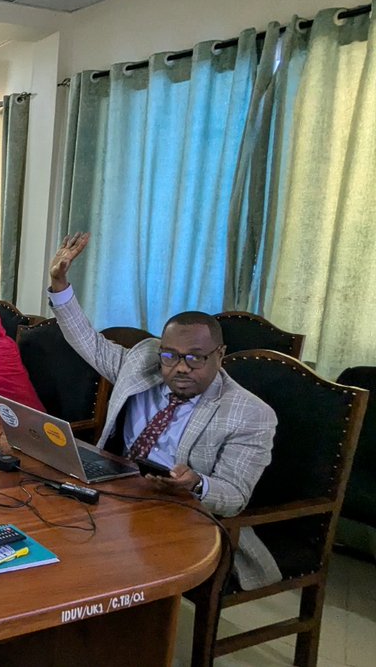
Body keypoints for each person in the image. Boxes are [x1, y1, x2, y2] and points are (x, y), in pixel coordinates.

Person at [48, 232, 279, 590]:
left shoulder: (249, 414)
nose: (180, 368)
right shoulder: (144, 362)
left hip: (183, 512)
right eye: (170, 355)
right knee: (48, 524)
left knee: (104, 560)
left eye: (195, 358)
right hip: (117, 488)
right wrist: (59, 284)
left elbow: (234, 496)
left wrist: (196, 483)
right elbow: (89, 343)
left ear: (220, 355)